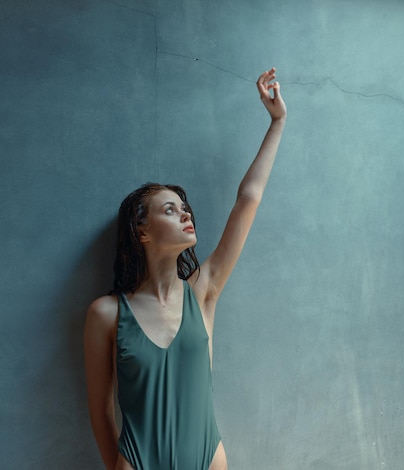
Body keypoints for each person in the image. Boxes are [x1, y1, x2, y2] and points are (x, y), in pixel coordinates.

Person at [83, 68, 286, 470]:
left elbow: (248, 200)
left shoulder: (203, 291)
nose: (185, 214)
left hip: (208, 462)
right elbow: (100, 410)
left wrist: (277, 122)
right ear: (142, 230)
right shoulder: (106, 314)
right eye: (169, 209)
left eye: (185, 207)